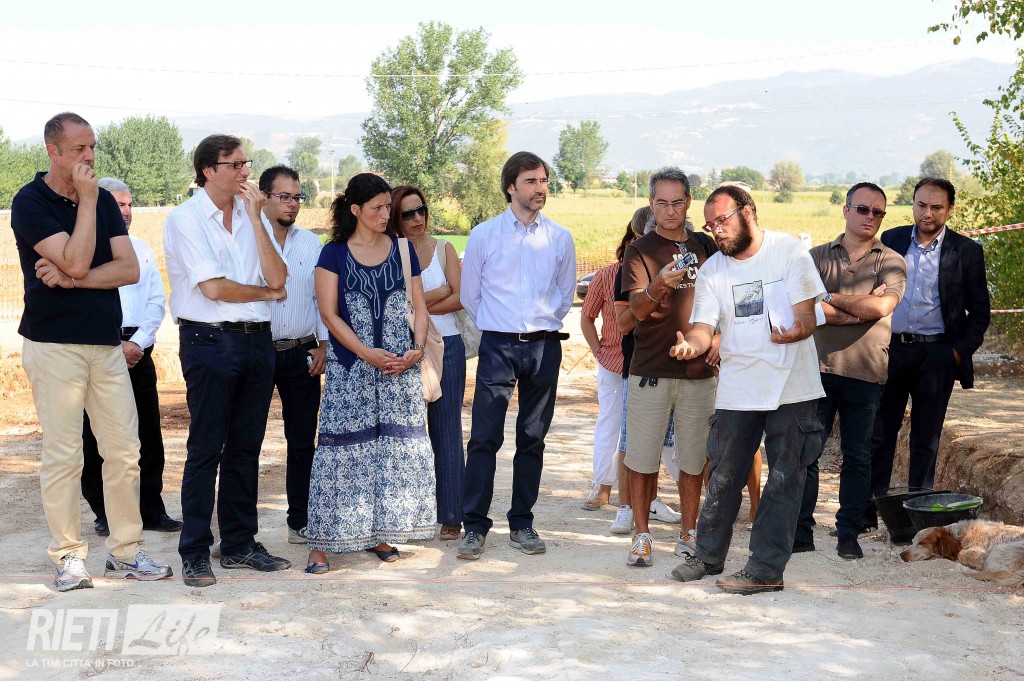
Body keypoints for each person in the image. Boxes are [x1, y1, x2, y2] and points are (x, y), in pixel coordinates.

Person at [12, 112, 172, 591]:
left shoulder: (103, 199)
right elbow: (80, 258)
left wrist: (70, 279)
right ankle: (68, 556)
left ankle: (126, 551)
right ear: (53, 151)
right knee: (65, 455)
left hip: (105, 344)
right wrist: (84, 205)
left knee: (124, 451)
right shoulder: (30, 201)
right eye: (79, 149)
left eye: (93, 147)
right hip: (53, 344)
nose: (89, 157)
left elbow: (128, 270)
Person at [669, 185, 826, 595]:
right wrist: (691, 346)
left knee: (783, 480)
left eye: (722, 220)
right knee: (723, 476)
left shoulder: (789, 251)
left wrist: (796, 331)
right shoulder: (712, 270)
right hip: (738, 388)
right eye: (710, 225)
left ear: (748, 212)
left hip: (792, 387)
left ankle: (765, 570)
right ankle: (707, 556)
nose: (716, 230)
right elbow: (703, 328)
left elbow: (808, 317)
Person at [164, 134, 291, 587]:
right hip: (209, 341)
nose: (245, 171)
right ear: (208, 170)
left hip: (257, 342)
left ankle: (238, 544)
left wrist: (256, 219)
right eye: (235, 164)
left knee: (245, 448)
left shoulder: (251, 214)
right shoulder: (185, 219)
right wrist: (265, 294)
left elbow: (280, 277)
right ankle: (195, 551)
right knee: (206, 448)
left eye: (245, 163)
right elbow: (213, 289)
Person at [305, 173, 437, 573]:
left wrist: (416, 350)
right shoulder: (333, 254)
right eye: (377, 207)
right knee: (340, 454)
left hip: (399, 369)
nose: (385, 214)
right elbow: (329, 314)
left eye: (387, 207)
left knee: (390, 453)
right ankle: (320, 544)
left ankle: (379, 533)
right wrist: (366, 354)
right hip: (351, 371)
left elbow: (420, 307)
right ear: (355, 209)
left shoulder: (403, 250)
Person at [456, 152, 577, 560]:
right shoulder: (484, 235)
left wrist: (540, 323)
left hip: (545, 346)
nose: (540, 188)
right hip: (498, 346)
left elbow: (564, 294)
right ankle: (474, 526)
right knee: (484, 437)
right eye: (531, 181)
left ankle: (522, 523)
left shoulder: (559, 237)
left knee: (533, 437)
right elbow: (470, 295)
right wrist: (502, 325)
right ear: (511, 187)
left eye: (543, 180)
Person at [868, 178, 990, 524]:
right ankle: (867, 513)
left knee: (926, 439)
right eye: (921, 205)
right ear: (913, 204)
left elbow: (980, 313)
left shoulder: (966, 251)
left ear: (950, 209)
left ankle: (916, 519)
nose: (928, 213)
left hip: (937, 356)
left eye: (937, 207)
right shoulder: (891, 240)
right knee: (879, 434)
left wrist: (954, 354)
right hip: (890, 351)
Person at [796, 183, 906, 560]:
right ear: (845, 210)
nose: (870, 217)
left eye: (878, 212)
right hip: (817, 370)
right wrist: (858, 307)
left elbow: (881, 308)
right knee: (807, 453)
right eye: (863, 209)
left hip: (866, 373)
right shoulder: (815, 257)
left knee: (858, 457)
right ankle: (801, 532)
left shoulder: (892, 261)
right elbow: (808, 308)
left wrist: (829, 298)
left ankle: (848, 533)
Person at [620, 167, 718, 567]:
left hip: (698, 372)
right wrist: (659, 284)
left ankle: (689, 533)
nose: (670, 210)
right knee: (642, 458)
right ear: (651, 204)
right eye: (661, 202)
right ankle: (642, 536)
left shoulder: (707, 245)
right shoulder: (639, 251)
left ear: (689, 202)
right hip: (651, 370)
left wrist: (717, 340)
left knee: (694, 459)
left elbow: (725, 300)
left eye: (677, 202)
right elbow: (637, 312)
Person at [80, 177, 182, 537]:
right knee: (96, 436)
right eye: (117, 204)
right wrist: (114, 344)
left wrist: (136, 343)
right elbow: (82, 305)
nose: (125, 211)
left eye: (128, 204)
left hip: (138, 352)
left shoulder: (140, 248)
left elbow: (155, 301)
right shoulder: (83, 250)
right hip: (98, 350)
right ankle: (104, 511)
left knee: (148, 434)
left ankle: (151, 509)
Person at [390, 185, 467, 541]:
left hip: (446, 345)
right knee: (402, 433)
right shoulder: (388, 252)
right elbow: (392, 304)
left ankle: (452, 513)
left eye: (420, 209)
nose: (417, 218)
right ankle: (405, 513)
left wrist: (417, 306)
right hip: (401, 349)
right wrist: (435, 296)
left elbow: (460, 297)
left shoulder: (443, 248)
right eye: (407, 213)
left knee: (446, 428)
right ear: (395, 216)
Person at [259, 165, 328, 545]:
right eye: (284, 196)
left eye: (297, 197)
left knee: (302, 441)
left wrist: (324, 344)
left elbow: (321, 298)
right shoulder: (247, 238)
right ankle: (238, 530)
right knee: (243, 441)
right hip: (256, 350)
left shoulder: (311, 244)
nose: (293, 204)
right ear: (264, 197)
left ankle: (300, 520)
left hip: (302, 351)